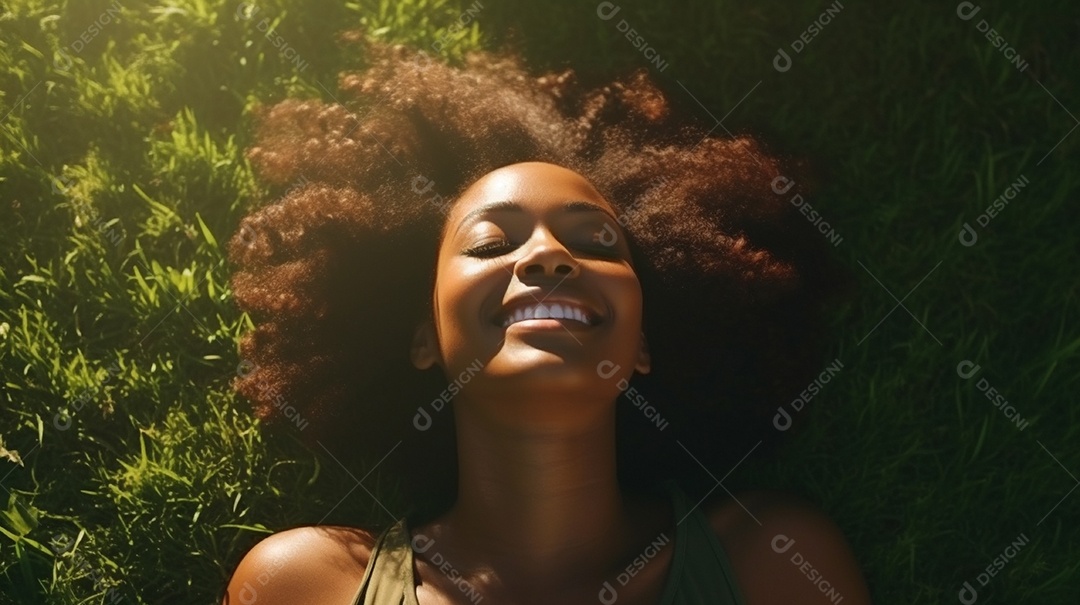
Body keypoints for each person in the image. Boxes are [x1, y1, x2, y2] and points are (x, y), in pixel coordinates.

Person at [221, 42, 870, 604]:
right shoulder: (306, 584)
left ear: (641, 343)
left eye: (596, 242)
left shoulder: (771, 563)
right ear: (425, 337)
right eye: (489, 244)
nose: (547, 255)